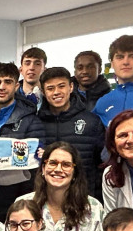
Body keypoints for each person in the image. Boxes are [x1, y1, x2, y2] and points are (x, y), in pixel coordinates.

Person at [18, 142, 106, 231]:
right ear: (43, 168)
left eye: (66, 165)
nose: (58, 169)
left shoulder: (93, 208)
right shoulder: (23, 204)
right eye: (52, 163)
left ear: (74, 173)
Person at [0, 62, 47, 223]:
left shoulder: (31, 121)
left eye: (7, 82)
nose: (2, 87)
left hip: (17, 200)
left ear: (16, 86)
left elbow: (35, 167)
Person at [37, 67, 105, 200]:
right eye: (50, 88)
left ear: (71, 87)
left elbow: (101, 165)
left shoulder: (91, 121)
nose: (56, 92)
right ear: (43, 92)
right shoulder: (36, 123)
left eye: (61, 86)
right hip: (46, 198)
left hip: (83, 197)